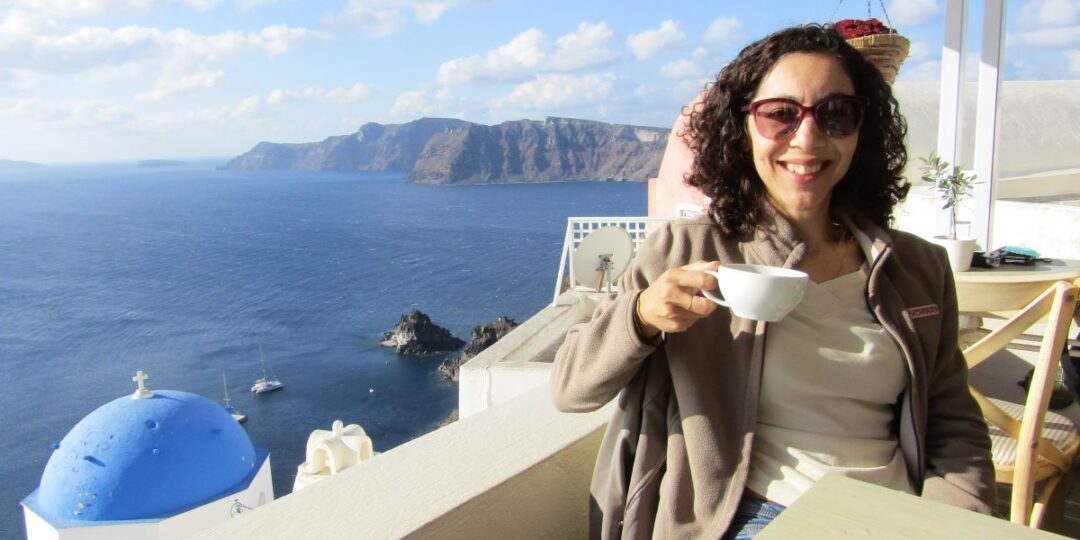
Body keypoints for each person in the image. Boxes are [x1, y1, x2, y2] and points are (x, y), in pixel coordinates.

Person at [550, 24, 996, 539]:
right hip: (755, 512)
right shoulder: (688, 250)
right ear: (743, 128)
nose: (807, 138)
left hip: (892, 513)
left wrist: (954, 521)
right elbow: (571, 389)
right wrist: (642, 316)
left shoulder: (917, 268)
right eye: (780, 114)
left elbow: (951, 422)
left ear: (862, 131)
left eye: (835, 113)